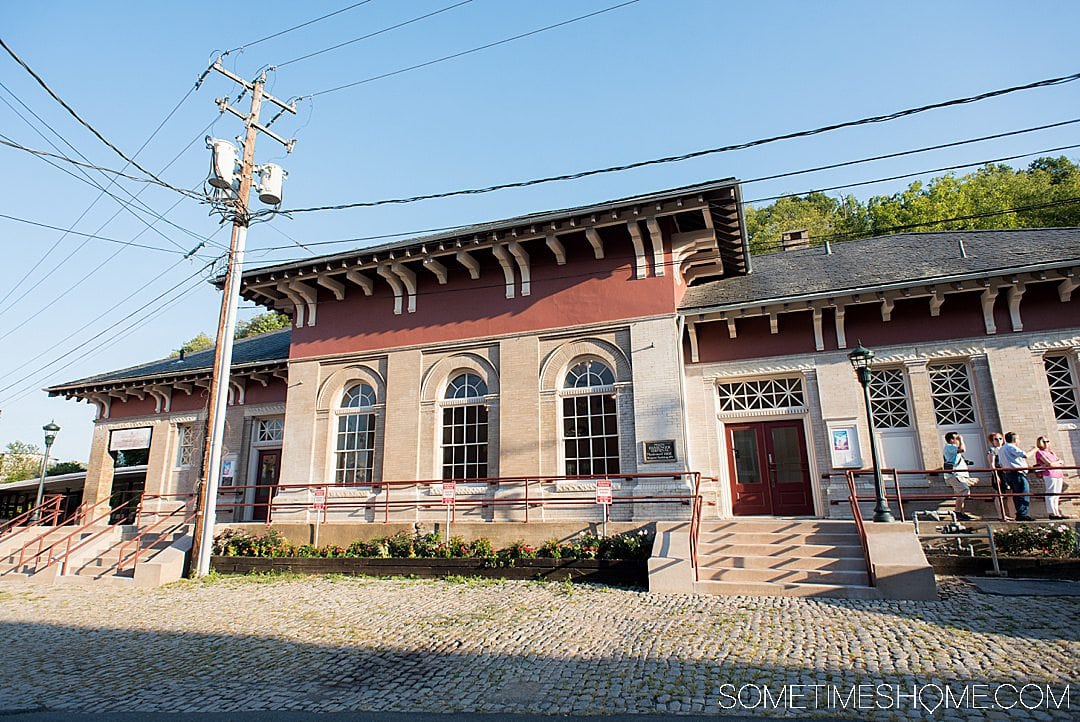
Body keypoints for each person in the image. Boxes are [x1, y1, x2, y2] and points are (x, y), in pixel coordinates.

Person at [997, 432, 1034, 521]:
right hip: (1017, 473)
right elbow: (1025, 455)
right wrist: (1034, 449)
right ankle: (1022, 514)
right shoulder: (1011, 447)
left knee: (1017, 494)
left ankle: (1020, 513)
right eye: (1018, 439)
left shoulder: (1002, 449)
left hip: (1008, 473)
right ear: (1015, 440)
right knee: (1023, 493)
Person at [942, 432, 975, 520]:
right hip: (955, 475)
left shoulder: (952, 448)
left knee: (960, 494)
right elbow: (963, 449)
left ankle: (961, 513)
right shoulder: (949, 446)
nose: (958, 440)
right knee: (964, 490)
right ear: (952, 440)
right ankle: (957, 512)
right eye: (956, 438)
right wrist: (961, 440)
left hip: (958, 475)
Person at [1035, 436, 1068, 519]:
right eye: (1044, 441)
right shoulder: (1040, 452)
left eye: (1047, 441)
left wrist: (1056, 462)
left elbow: (1061, 462)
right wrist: (1057, 462)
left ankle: (1057, 512)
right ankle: (1051, 512)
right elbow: (1050, 464)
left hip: (1058, 474)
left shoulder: (1051, 452)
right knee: (1051, 493)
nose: (1046, 443)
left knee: (1057, 494)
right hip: (1049, 474)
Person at [986, 432, 1011, 520]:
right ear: (992, 441)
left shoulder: (1005, 449)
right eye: (996, 439)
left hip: (1007, 472)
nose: (999, 441)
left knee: (1008, 493)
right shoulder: (993, 450)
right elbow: (992, 464)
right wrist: (995, 475)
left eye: (1000, 438)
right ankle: (1001, 515)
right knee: (999, 494)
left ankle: (1010, 514)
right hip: (999, 473)